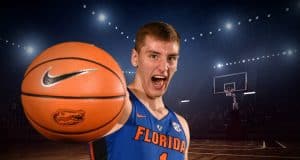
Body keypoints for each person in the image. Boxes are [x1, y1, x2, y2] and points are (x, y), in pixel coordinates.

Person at [90, 21, 190, 160]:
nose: (163, 67)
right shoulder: (115, 106)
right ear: (135, 58)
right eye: (154, 56)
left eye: (171, 58)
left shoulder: (182, 126)